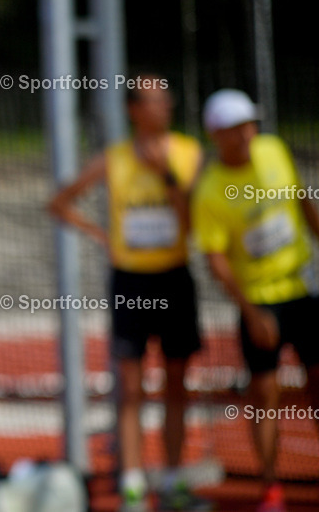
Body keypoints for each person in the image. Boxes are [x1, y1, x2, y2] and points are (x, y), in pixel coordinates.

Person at [48, 78, 208, 511]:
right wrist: (101, 236)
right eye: (155, 100)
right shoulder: (114, 159)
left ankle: (174, 478)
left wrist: (165, 173)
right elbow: (59, 202)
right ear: (134, 109)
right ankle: (134, 483)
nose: (165, 107)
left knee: (177, 382)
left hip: (174, 276)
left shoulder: (188, 153)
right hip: (131, 282)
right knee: (132, 386)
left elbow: (193, 219)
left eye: (167, 99)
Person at [191, 89, 319, 512]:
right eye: (234, 128)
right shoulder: (211, 190)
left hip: (303, 287)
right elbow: (216, 260)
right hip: (259, 301)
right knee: (265, 394)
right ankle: (270, 486)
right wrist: (251, 312)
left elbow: (302, 199)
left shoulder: (274, 149)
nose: (246, 134)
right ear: (215, 134)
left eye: (249, 124)